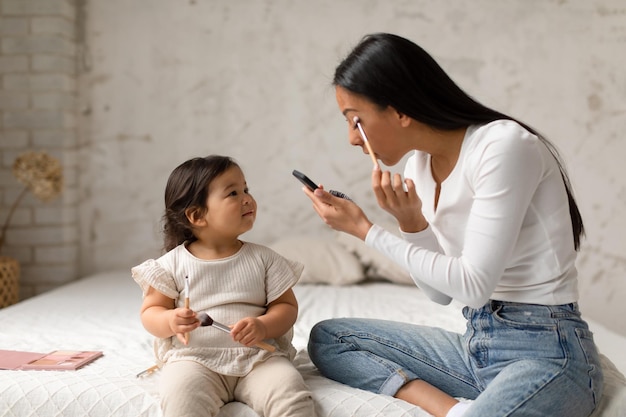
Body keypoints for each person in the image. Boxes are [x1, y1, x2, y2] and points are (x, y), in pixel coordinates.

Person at [304, 33, 603, 417]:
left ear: (399, 111)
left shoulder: (503, 146)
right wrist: (411, 223)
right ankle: (453, 410)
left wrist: (367, 231)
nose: (351, 138)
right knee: (331, 339)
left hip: (547, 352)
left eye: (356, 122)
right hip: (478, 343)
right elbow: (442, 295)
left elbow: (473, 286)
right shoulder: (419, 166)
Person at [131, 155, 316, 417]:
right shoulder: (170, 265)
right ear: (197, 215)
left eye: (246, 189)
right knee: (181, 399)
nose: (247, 198)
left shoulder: (264, 259)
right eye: (233, 193)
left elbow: (286, 307)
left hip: (257, 359)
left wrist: (263, 325)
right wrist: (171, 320)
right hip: (194, 359)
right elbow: (150, 314)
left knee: (290, 393)